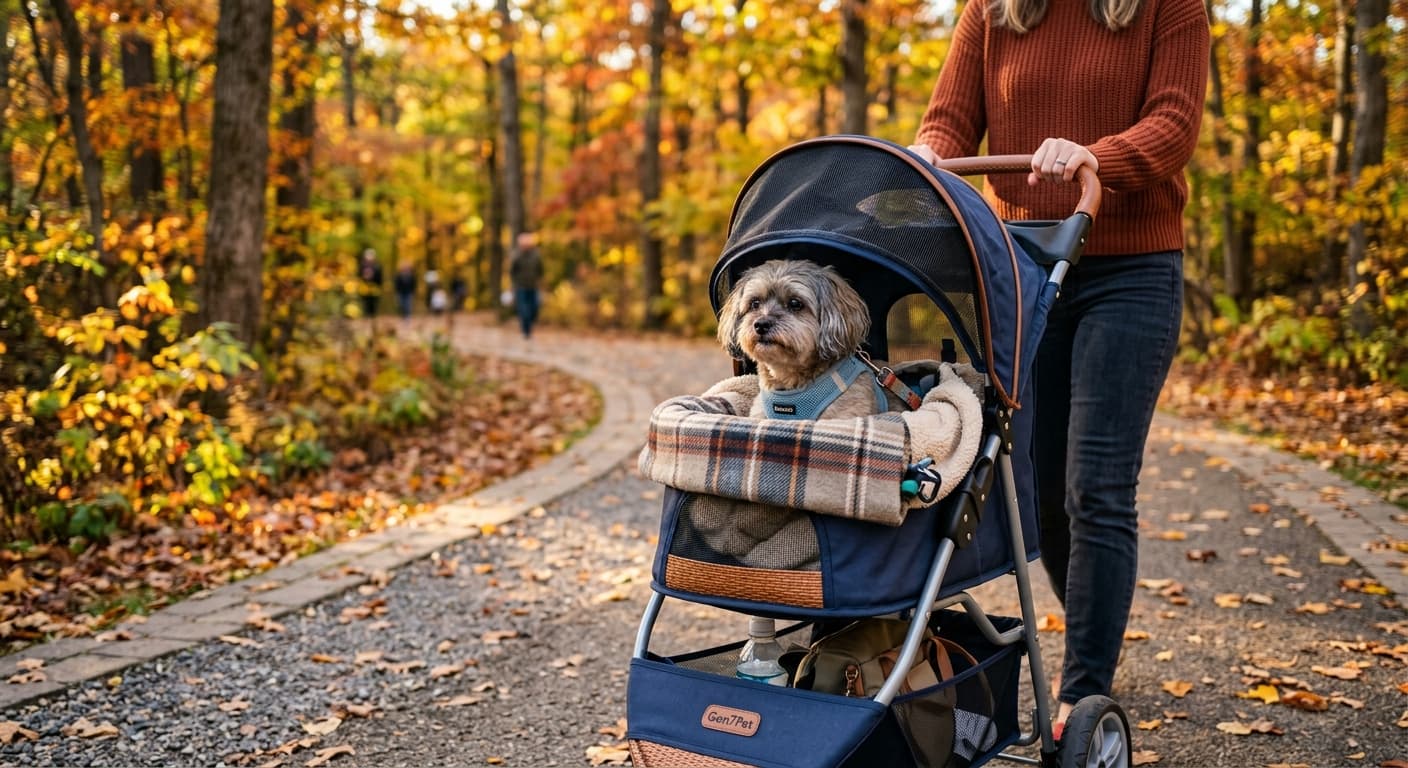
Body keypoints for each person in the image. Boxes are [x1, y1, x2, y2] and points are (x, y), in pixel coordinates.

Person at [908, 0, 1209, 739]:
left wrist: (1093, 155)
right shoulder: (993, 11)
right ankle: (1095, 622)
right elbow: (948, 118)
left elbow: (1173, 126)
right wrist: (929, 155)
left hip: (1130, 270)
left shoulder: (1172, 7)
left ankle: (1084, 690)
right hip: (1022, 268)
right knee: (1038, 491)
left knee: (1096, 485)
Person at [509, 231, 544, 339]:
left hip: (533, 286)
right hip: (521, 286)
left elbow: (541, 270)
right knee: (524, 309)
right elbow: (512, 271)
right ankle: (526, 331)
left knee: (534, 308)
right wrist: (513, 285)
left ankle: (529, 328)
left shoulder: (536, 255)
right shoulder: (517, 255)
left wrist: (540, 281)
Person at [358, 249, 383, 319]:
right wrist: (364, 277)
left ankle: (373, 317)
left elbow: (380, 277)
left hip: (375, 287)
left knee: (374, 303)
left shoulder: (377, 266)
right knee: (365, 303)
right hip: (364, 287)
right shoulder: (362, 266)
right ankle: (366, 316)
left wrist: (373, 277)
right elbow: (359, 276)